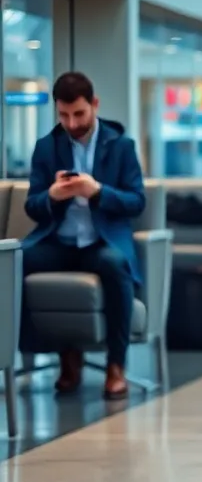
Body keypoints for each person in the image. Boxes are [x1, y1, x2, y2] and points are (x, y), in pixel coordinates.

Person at [20, 72, 146, 399]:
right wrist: (52, 196)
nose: (72, 123)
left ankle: (116, 364)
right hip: (58, 242)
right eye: (63, 115)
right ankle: (59, 352)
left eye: (78, 114)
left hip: (101, 243)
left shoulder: (122, 146)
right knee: (15, 261)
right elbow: (32, 206)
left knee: (114, 265)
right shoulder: (47, 147)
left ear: (94, 104)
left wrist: (97, 191)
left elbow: (136, 202)